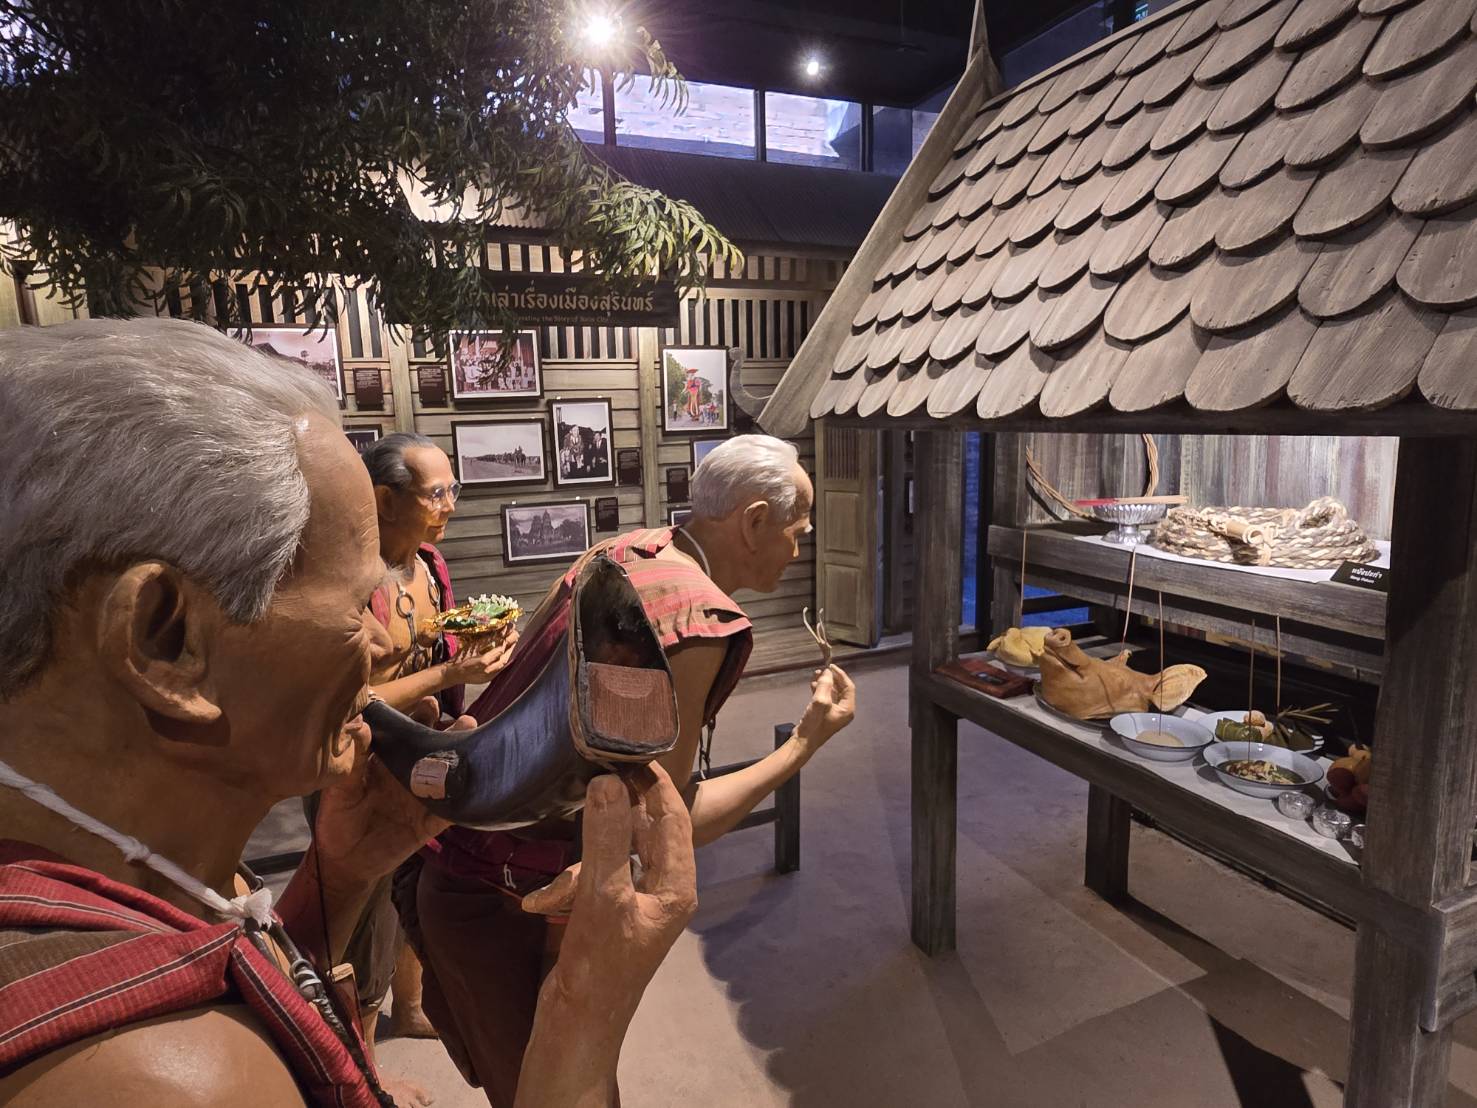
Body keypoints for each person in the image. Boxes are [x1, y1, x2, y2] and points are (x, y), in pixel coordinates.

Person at [0, 317, 697, 1107]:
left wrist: (336, 877)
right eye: (356, 602)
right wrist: (578, 1021)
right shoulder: (166, 1079)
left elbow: (255, 988)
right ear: (165, 637)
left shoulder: (115, 859)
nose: (376, 638)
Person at [399, 434, 857, 1105]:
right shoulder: (701, 620)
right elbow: (666, 825)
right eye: (798, 530)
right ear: (755, 521)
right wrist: (803, 744)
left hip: (466, 849)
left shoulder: (624, 551)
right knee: (558, 1090)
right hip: (508, 895)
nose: (800, 547)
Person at [323, 433, 518, 1053]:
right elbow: (351, 700)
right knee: (361, 916)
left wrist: (479, 646)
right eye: (435, 494)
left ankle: (409, 1006)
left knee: (419, 882)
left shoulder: (429, 564)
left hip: (423, 749)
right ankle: (359, 1066)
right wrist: (449, 674)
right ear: (385, 500)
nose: (450, 505)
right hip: (361, 769)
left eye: (452, 489)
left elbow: (440, 650)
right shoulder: (353, 579)